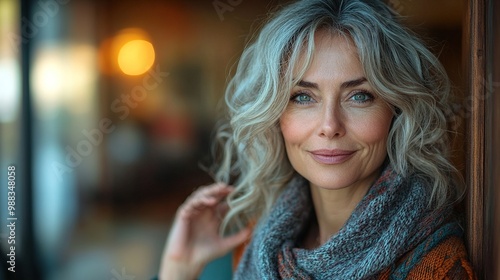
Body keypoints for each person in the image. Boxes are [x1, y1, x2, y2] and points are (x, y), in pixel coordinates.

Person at [157, 0, 476, 279]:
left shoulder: (438, 267)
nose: (329, 125)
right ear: (274, 115)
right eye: (303, 97)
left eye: (360, 96)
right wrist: (179, 268)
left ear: (396, 110)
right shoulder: (260, 243)